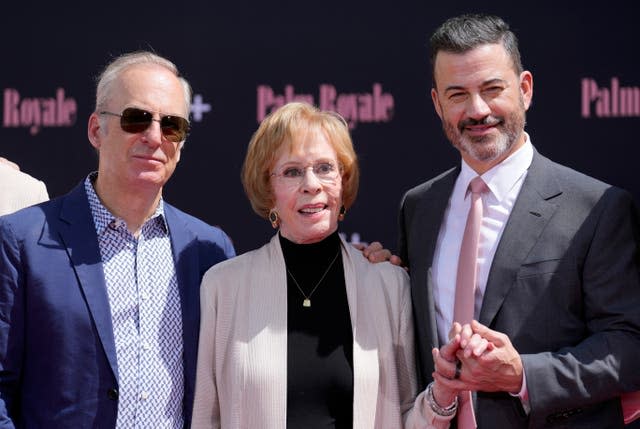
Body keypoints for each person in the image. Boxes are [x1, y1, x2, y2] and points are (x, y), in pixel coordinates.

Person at [398, 13, 640, 428]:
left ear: (524, 89)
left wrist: (523, 375)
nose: (477, 110)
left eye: (492, 89)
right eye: (457, 95)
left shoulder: (597, 208)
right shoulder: (418, 207)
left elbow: (630, 346)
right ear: (438, 104)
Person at [191, 101, 485, 428]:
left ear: (343, 181)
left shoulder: (388, 285)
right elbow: (207, 418)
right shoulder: (223, 287)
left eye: (325, 168)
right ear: (268, 189)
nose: (311, 184)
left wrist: (442, 395)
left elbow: (407, 419)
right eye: (292, 172)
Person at [0, 51, 235, 428]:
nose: (155, 137)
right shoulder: (23, 241)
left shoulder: (209, 250)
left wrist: (355, 261)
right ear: (96, 130)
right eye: (136, 119)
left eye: (172, 125)